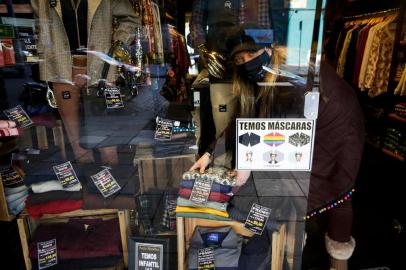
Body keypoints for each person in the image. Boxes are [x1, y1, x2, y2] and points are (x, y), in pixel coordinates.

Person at [190, 28, 364, 270]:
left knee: (324, 192)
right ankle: (289, 243)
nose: (246, 63)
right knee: (283, 186)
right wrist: (210, 153)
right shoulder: (264, 73)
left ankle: (308, 251)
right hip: (304, 128)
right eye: (240, 60)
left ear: (268, 48)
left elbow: (283, 133)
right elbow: (242, 119)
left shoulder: (290, 76)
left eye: (251, 55)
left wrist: (248, 164)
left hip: (335, 130)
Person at [31, 0, 139, 164]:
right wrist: (45, 51)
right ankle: (86, 183)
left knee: (107, 137)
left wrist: (119, 42)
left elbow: (131, 18)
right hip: (60, 67)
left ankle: (114, 180)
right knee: (75, 138)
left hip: (100, 66)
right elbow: (40, 24)